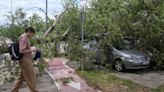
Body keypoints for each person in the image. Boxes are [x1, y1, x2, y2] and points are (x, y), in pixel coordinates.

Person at [11, 27, 39, 92]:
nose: (32, 35)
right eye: (32, 34)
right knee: (31, 77)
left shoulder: (24, 38)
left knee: (20, 78)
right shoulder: (23, 38)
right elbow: (21, 51)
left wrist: (31, 49)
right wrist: (32, 50)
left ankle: (14, 91)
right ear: (29, 32)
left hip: (25, 60)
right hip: (25, 61)